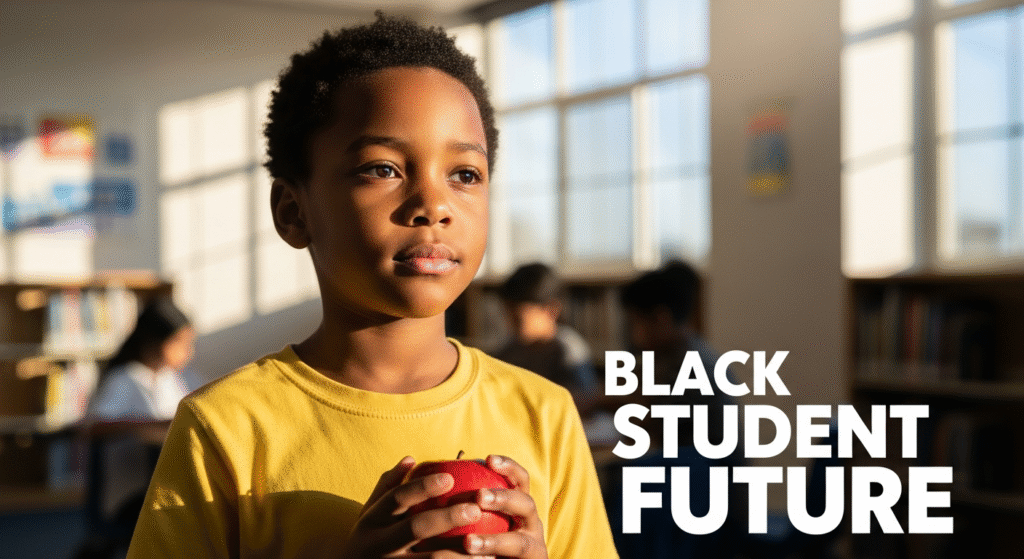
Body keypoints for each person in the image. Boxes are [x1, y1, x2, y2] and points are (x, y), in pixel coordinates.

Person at [127, 13, 617, 559]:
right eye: (383, 169)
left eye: (465, 175)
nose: (433, 205)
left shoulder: (543, 413)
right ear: (293, 213)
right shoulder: (224, 429)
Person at [83, 296, 194, 539]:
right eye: (181, 343)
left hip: (159, 482)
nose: (189, 353)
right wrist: (154, 425)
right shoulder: (127, 378)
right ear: (156, 342)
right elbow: (94, 427)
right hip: (133, 492)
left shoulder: (167, 378)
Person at [493, 262, 598, 394]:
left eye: (518, 319)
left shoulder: (568, 351)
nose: (510, 324)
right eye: (507, 315)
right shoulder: (510, 351)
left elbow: (585, 399)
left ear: (551, 310)